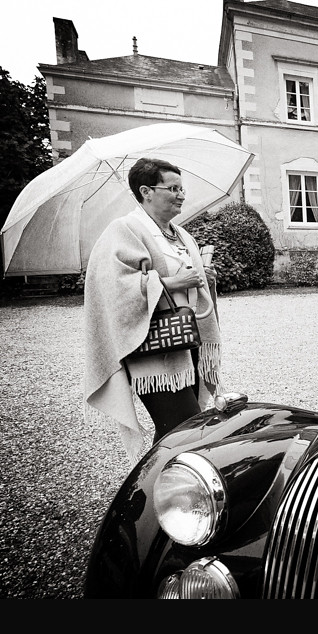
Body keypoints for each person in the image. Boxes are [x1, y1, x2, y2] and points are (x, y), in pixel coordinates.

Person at [84, 157, 223, 463]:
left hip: (190, 344)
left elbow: (189, 279)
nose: (181, 195)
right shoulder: (125, 229)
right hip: (155, 350)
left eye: (182, 188)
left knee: (180, 428)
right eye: (172, 188)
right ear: (146, 191)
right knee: (184, 427)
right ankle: (152, 493)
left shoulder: (181, 234)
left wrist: (203, 279)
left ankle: (165, 491)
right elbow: (111, 285)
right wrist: (172, 282)